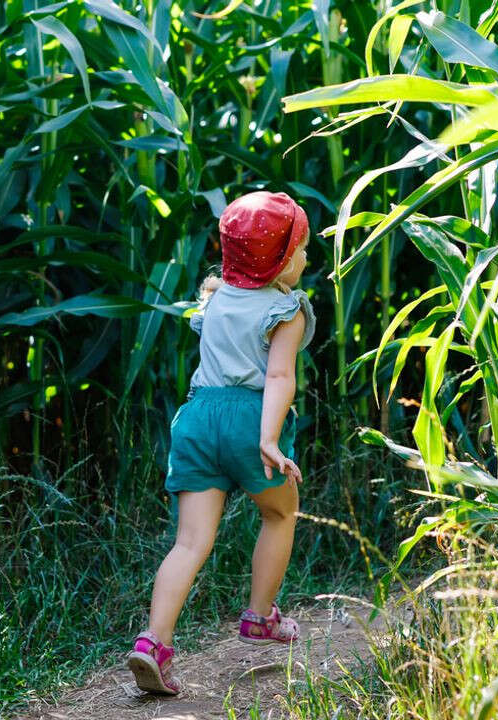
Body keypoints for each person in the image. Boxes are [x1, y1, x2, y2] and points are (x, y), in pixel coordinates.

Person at [125, 191, 314, 696]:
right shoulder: (286, 308)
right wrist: (269, 439)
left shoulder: (214, 297)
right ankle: (259, 615)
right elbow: (278, 376)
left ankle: (153, 643)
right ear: (277, 261)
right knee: (279, 513)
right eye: (299, 250)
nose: (306, 259)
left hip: (198, 416)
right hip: (248, 420)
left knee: (190, 542)